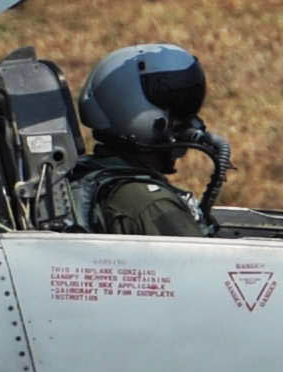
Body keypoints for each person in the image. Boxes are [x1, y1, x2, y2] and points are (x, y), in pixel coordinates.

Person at [65, 44, 218, 236]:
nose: (191, 121)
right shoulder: (152, 205)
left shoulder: (86, 176)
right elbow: (203, 264)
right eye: (179, 108)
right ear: (129, 105)